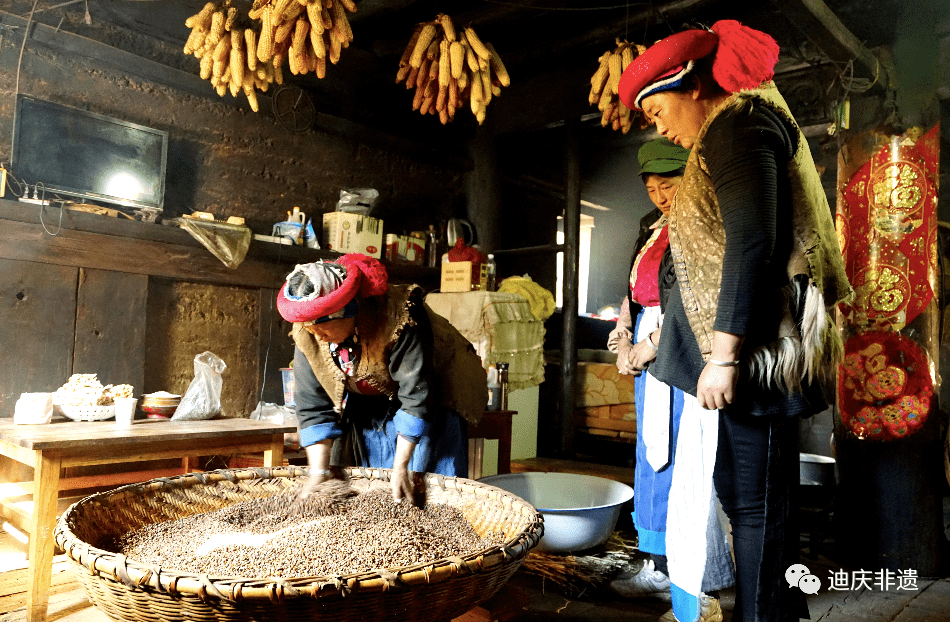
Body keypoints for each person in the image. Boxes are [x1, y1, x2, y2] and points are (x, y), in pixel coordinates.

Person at [617, 21, 852, 622]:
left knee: (759, 509)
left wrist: (722, 356)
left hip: (760, 354)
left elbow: (752, 243)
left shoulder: (740, 125)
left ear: (692, 86)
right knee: (745, 498)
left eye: (659, 110)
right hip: (752, 350)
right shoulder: (733, 127)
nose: (662, 128)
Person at [607, 138, 734, 622]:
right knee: (652, 452)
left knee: (688, 459)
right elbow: (633, 289)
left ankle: (699, 580)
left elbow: (696, 298)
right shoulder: (651, 225)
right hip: (646, 335)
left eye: (670, 184)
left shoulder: (707, 220)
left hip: (684, 343)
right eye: (653, 187)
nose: (661, 195)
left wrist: (650, 344)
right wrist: (622, 332)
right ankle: (659, 565)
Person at [276, 253, 488, 504]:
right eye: (310, 329)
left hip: (432, 395)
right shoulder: (309, 334)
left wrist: (401, 468)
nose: (318, 336)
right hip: (372, 398)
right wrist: (318, 474)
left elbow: (416, 394)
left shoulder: (399, 317)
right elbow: (313, 407)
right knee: (371, 490)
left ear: (346, 310)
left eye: (322, 328)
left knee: (425, 488)